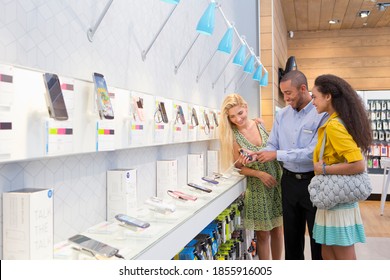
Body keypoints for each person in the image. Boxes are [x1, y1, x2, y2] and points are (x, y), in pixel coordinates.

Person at [249, 70, 327, 260]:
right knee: (291, 239)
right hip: (289, 182)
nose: (285, 98)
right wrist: (260, 153)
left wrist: (276, 154)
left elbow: (312, 152)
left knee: (318, 240)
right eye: (283, 93)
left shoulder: (321, 115)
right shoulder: (282, 115)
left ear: (303, 89)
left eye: (289, 93)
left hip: (314, 183)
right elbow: (272, 144)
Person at [310, 74, 371, 260]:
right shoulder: (338, 120)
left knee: (341, 257)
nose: (312, 101)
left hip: (336, 201)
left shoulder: (334, 126)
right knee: (329, 253)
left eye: (315, 96)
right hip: (334, 199)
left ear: (328, 96)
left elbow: (358, 164)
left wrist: (324, 169)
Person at [219, 93, 283, 260]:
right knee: (263, 234)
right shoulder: (233, 137)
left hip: (277, 180)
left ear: (246, 108)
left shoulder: (260, 124)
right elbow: (239, 168)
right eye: (232, 116)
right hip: (257, 187)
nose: (237, 119)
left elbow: (272, 147)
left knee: (278, 229)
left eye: (240, 113)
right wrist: (259, 173)